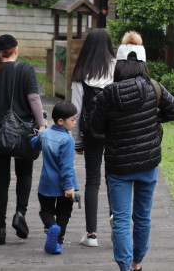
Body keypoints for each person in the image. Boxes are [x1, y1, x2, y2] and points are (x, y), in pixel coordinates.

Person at [91, 42, 174, 271]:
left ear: (118, 65)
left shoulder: (108, 94)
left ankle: (125, 267)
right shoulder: (154, 88)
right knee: (142, 217)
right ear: (143, 64)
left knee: (120, 219)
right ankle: (138, 262)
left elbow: (95, 127)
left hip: (118, 165)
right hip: (148, 163)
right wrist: (153, 116)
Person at [0, 33, 47, 245]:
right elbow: (33, 98)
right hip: (22, 134)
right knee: (24, 174)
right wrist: (42, 126)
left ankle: (0, 228)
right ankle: (20, 214)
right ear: (15, 49)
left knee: (1, 180)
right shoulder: (25, 69)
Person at [70, 27, 117, 248]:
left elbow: (76, 111)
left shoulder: (81, 73)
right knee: (114, 178)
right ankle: (117, 221)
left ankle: (91, 235)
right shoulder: (117, 68)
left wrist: (77, 141)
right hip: (115, 130)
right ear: (109, 46)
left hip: (92, 133)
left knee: (92, 181)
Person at [31, 99, 78, 254]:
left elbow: (34, 143)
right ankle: (57, 241)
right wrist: (69, 187)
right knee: (64, 213)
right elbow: (67, 167)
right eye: (72, 120)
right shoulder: (67, 140)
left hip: (46, 184)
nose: (75, 123)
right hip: (64, 185)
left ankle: (51, 227)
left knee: (46, 211)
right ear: (60, 121)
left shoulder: (45, 134)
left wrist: (40, 130)